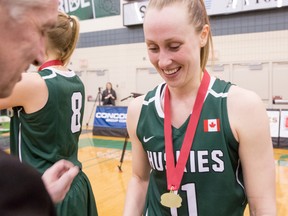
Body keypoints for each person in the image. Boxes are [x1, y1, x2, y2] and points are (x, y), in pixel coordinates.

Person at [123, 0, 276, 216]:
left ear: (203, 35)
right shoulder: (139, 110)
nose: (164, 61)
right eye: (153, 48)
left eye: (174, 46)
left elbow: (262, 204)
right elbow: (140, 179)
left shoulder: (243, 108)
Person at [0, 10, 98, 216]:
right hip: (75, 184)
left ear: (40, 39)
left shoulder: (33, 83)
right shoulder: (75, 80)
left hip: (45, 188)